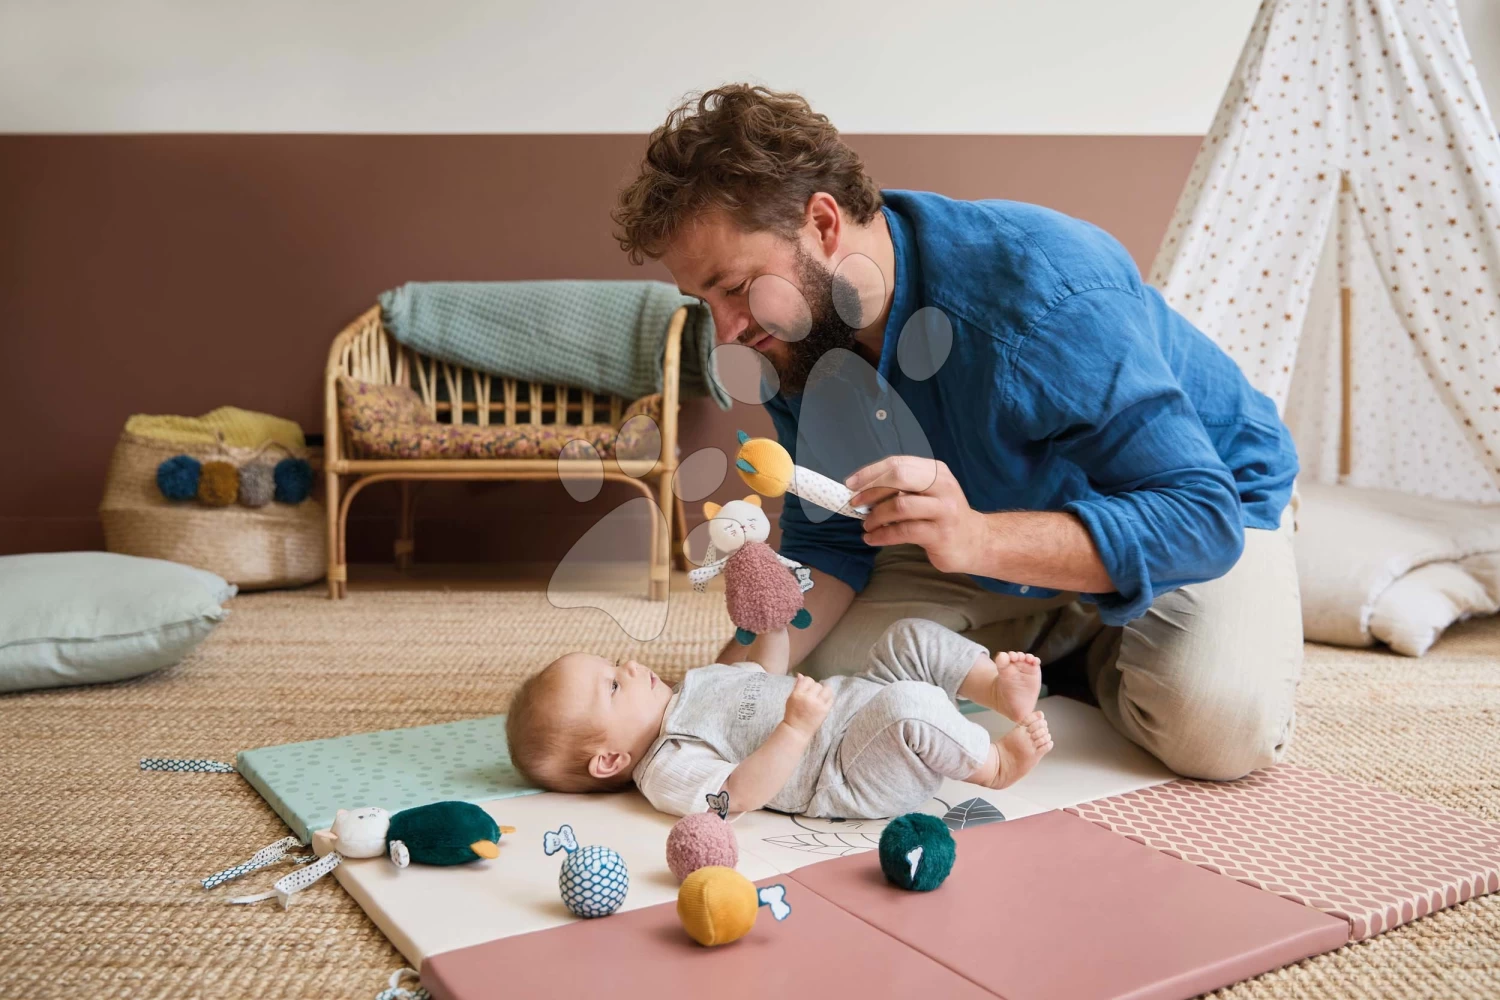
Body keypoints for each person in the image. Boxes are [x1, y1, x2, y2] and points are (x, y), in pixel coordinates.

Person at [611, 84, 1303, 782]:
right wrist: (708, 700)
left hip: (1199, 502)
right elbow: (829, 539)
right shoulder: (795, 338)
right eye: (704, 302)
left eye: (736, 287)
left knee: (1212, 726)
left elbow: (1199, 515)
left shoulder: (1042, 292)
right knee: (826, 681)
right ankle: (1068, 633)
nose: (726, 331)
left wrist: (980, 541)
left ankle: (1112, 628)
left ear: (822, 224)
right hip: (982, 526)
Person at [505, 620, 1051, 818]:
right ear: (609, 759)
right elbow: (735, 797)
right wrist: (795, 729)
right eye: (613, 685)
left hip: (853, 703)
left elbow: (765, 676)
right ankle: (995, 765)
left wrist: (771, 627)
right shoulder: (667, 764)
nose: (628, 665)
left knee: (905, 637)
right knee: (907, 705)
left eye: (612, 662)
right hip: (847, 770)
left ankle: (996, 690)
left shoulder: (689, 687)